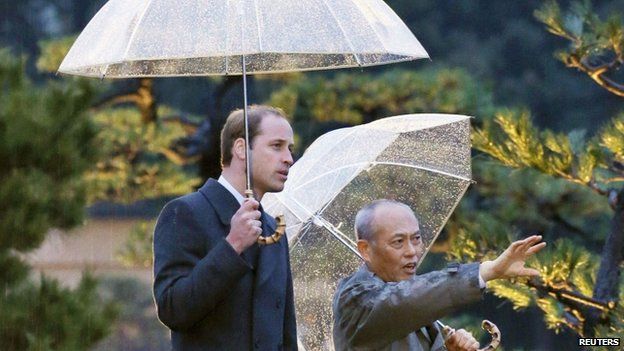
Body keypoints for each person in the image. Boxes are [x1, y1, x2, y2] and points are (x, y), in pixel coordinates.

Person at [153, 105, 298, 350]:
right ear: (241, 148)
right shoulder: (185, 212)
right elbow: (172, 310)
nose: (289, 159)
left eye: (290, 149)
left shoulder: (274, 230)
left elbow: (286, 335)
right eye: (277, 146)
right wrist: (232, 245)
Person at [333, 199, 546, 351]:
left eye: (416, 239)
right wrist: (486, 270)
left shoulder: (417, 300)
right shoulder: (354, 300)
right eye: (398, 242)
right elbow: (400, 302)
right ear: (365, 249)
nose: (412, 251)